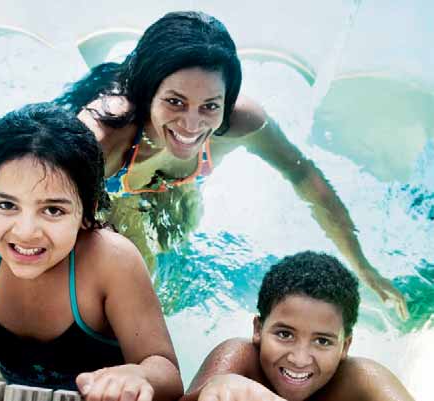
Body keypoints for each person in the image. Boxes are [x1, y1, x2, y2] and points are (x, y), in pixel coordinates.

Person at [54, 11, 408, 320]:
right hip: (109, 190)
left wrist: (363, 266)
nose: (192, 125)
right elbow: (31, 200)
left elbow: (302, 174)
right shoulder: (105, 134)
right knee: (138, 279)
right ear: (148, 92)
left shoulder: (240, 122)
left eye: (209, 105)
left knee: (175, 255)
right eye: (175, 102)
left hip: (174, 184)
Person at [0, 103, 183, 401]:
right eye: (6, 205)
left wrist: (140, 375)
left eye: (53, 209)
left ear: (87, 212)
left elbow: (168, 375)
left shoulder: (113, 262)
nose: (25, 231)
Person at [180, 251, 415, 401]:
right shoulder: (239, 360)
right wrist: (214, 388)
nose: (300, 359)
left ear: (345, 346)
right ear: (258, 329)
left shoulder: (362, 380)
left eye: (322, 341)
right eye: (284, 334)